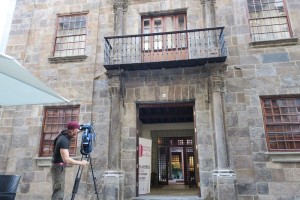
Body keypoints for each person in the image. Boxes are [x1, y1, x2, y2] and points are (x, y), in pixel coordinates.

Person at [50, 121, 89, 200]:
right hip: (58, 168)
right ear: (73, 129)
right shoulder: (64, 140)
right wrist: (81, 163)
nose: (78, 131)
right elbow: (66, 159)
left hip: (59, 167)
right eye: (77, 129)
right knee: (58, 193)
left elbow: (78, 129)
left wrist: (85, 128)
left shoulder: (64, 135)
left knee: (59, 190)